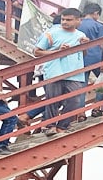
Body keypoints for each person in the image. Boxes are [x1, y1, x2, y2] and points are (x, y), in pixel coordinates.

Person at [34, 8, 90, 137]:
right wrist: (58, 51)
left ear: (78, 21)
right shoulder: (52, 33)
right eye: (63, 19)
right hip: (54, 71)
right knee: (53, 100)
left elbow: (84, 54)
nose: (64, 22)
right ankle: (50, 126)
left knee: (74, 101)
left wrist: (84, 46)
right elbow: (37, 52)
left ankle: (62, 126)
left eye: (68, 20)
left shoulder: (81, 35)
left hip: (75, 72)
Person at [78, 3, 103, 77]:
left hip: (81, 57)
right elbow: (102, 44)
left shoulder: (77, 24)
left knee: (82, 82)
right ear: (96, 13)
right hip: (96, 57)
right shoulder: (99, 26)